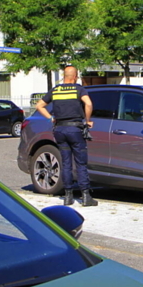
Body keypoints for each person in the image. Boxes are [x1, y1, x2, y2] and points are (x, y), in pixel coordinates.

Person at [35, 65, 96, 207]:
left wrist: (51, 118)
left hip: (59, 130)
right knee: (81, 163)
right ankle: (86, 196)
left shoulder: (55, 90)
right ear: (75, 76)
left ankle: (68, 196)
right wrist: (87, 121)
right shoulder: (78, 89)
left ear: (64, 76)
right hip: (75, 129)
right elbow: (88, 103)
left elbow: (39, 106)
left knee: (66, 163)